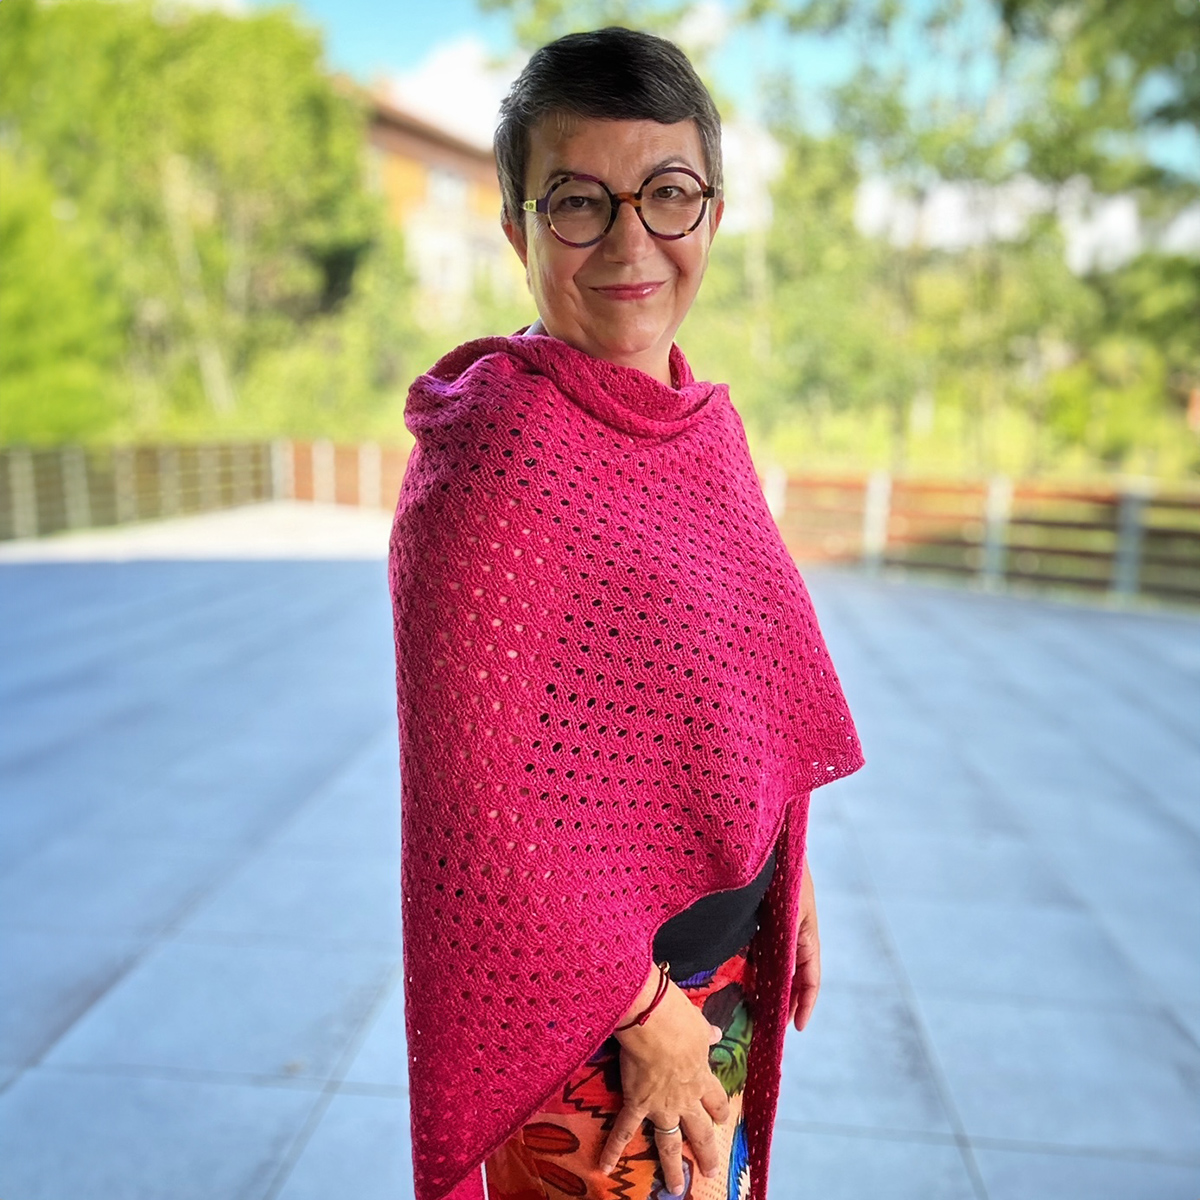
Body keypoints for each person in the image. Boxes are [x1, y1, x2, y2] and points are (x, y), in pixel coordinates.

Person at [388, 27, 863, 1200]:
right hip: (599, 1023)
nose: (630, 241)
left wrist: (786, 869)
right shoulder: (498, 455)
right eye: (578, 203)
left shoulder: (699, 424)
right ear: (519, 230)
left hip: (713, 983)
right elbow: (479, 807)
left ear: (712, 212)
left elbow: (738, 688)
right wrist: (645, 1012)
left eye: (667, 194)